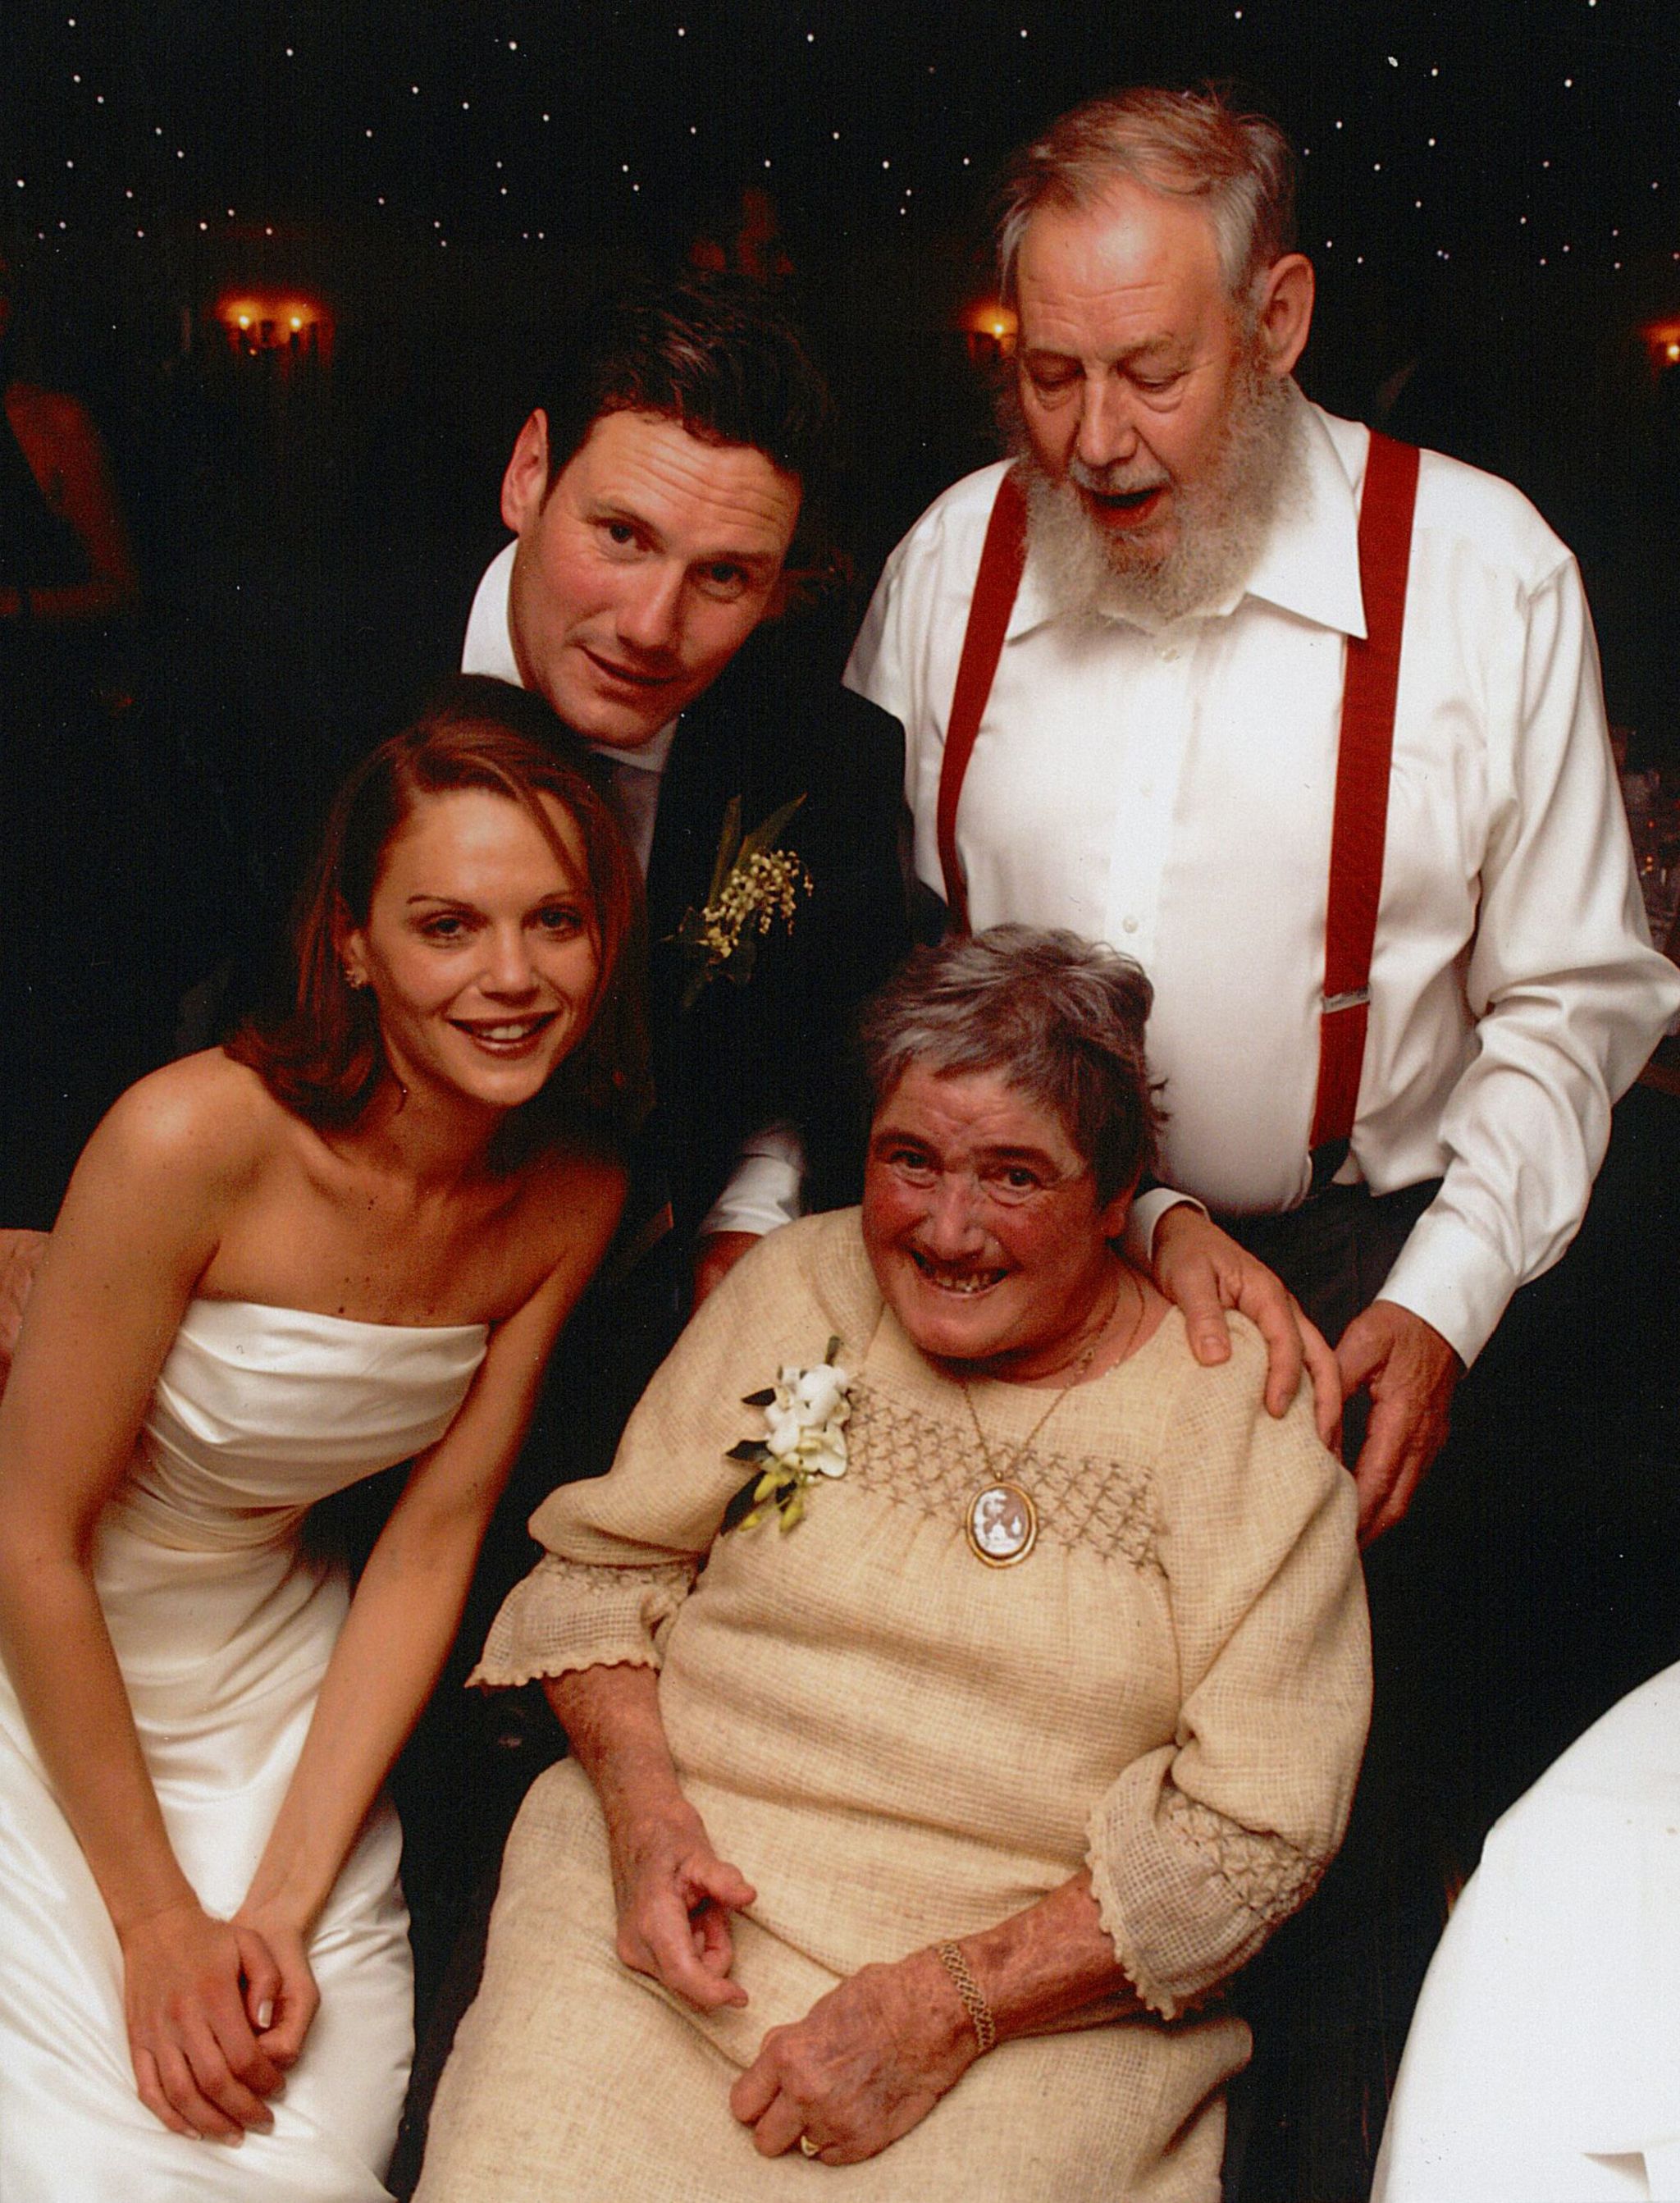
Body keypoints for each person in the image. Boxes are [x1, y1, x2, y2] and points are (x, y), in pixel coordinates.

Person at [414, 927, 1370, 2203]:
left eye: (1015, 1176)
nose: (948, 1227)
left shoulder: (1235, 1415)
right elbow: (596, 1577)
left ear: (1117, 1191)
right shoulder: (804, 1288)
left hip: (1035, 2004)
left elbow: (1256, 1830)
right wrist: (645, 1822)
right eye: (908, 1160)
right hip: (670, 1912)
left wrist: (949, 2004)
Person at [845, 86, 1680, 1541]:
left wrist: (1447, 1297)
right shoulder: (947, 564)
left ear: (1278, 319)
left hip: (1352, 1287)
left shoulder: (1488, 575)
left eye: (1152, 373)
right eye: (1050, 376)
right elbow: (877, 951)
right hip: (998, 1268)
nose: (1094, 441)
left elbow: (1573, 1002)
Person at [0, 675, 647, 2200]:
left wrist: (280, 1898)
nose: (511, 977)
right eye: (447, 925)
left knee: (307, 2142)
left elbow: (429, 1540)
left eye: (556, 920)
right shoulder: (191, 1141)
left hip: (286, 1688)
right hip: (45, 1674)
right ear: (351, 943)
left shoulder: (572, 1192)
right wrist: (158, 1922)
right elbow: (27, 1535)